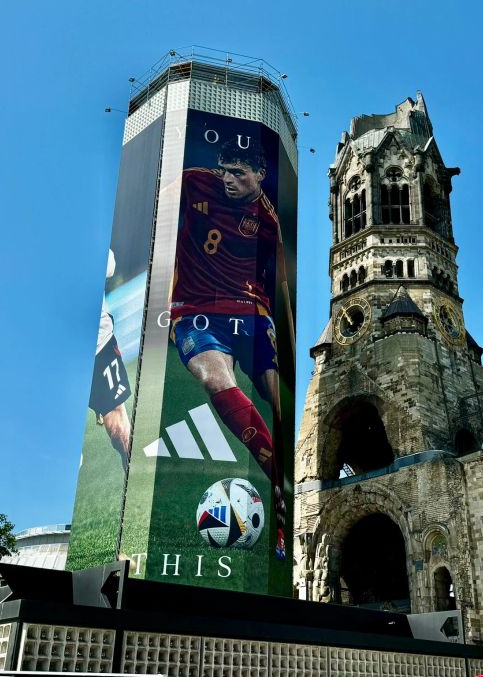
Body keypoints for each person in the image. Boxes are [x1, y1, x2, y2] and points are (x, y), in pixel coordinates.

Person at [170, 137, 287, 561]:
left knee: (277, 401)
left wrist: (273, 320)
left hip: (250, 313)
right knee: (215, 378)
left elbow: (276, 278)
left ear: (260, 175)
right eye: (225, 171)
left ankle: (289, 490)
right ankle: (276, 480)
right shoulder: (194, 183)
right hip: (195, 308)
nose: (229, 180)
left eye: (239, 172)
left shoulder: (268, 222)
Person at [89, 249, 132, 473]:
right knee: (114, 410)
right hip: (95, 342)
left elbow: (109, 266)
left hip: (97, 342)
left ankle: (131, 475)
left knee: (114, 410)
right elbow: (109, 266)